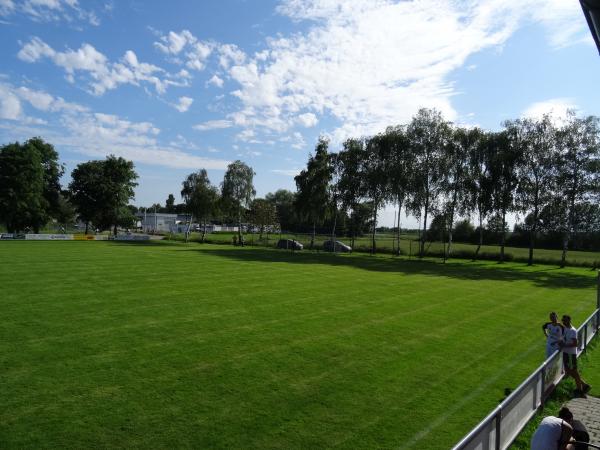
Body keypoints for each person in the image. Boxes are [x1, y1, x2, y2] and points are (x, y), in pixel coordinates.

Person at [559, 315, 591, 396]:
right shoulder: (565, 328)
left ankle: (580, 390)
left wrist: (564, 345)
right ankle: (584, 386)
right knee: (569, 371)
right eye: (563, 320)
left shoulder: (573, 331)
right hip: (566, 353)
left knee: (573, 372)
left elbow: (575, 343)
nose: (563, 322)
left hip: (570, 354)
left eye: (565, 320)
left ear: (569, 320)